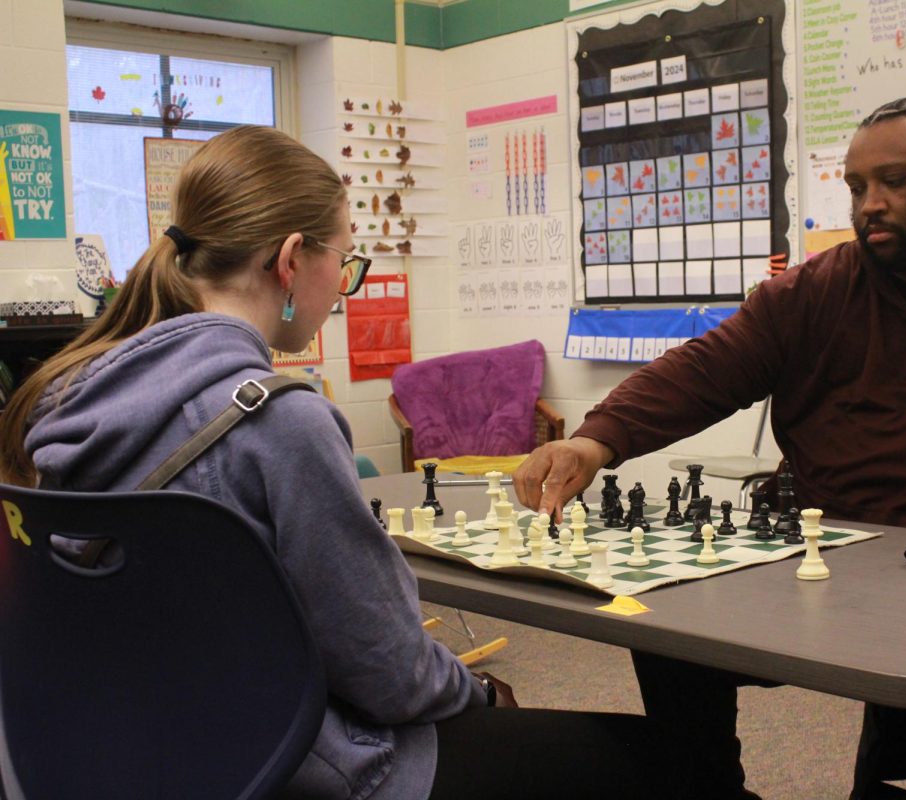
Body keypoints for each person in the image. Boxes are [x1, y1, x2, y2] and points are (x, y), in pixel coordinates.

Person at [0, 126, 715, 800]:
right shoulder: (278, 418)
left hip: (126, 749)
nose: (346, 288)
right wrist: (481, 695)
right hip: (291, 765)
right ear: (289, 262)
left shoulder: (65, 396)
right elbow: (390, 671)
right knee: (671, 761)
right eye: (344, 262)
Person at [513, 98, 906, 799]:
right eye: (856, 188)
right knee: (668, 623)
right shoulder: (815, 294)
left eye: (895, 182)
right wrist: (594, 441)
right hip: (842, 563)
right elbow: (706, 370)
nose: (871, 204)